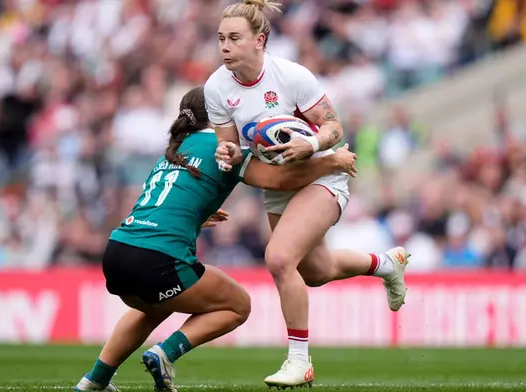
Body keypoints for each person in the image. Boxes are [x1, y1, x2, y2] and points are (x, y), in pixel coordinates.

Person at [73, 86, 358, 392]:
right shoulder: (222, 147)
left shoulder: (178, 148)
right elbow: (279, 180)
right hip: (156, 257)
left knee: (154, 307)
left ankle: (95, 380)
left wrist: (197, 214)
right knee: (238, 305)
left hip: (118, 251)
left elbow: (167, 201)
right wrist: (332, 161)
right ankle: (164, 354)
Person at [204, 0, 411, 387]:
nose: (225, 47)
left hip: (322, 174)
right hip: (279, 184)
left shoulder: (290, 76)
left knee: (280, 258)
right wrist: (225, 155)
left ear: (259, 41)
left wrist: (312, 145)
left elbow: (335, 127)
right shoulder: (216, 87)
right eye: (220, 39)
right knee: (315, 272)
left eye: (234, 38)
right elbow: (231, 149)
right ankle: (385, 264)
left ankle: (300, 361)